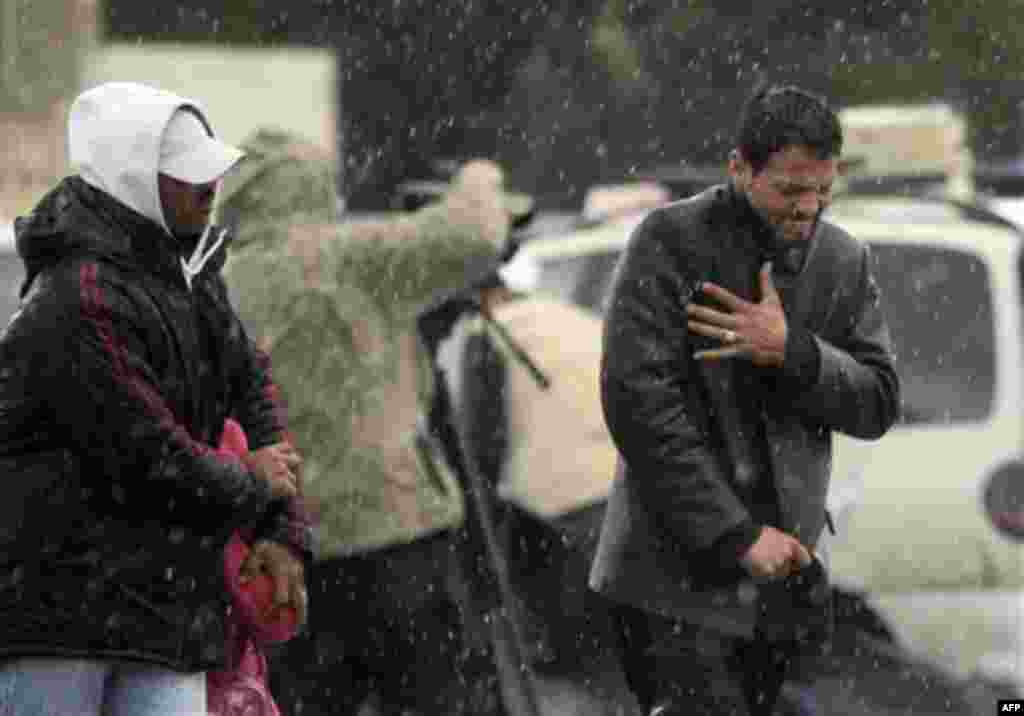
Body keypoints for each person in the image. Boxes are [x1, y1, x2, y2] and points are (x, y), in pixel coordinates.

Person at [589, 82, 901, 716]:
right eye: (790, 190)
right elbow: (639, 406)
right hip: (669, 584)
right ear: (738, 168)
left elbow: (877, 402)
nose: (808, 208)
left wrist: (794, 352)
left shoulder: (843, 260)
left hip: (782, 585)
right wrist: (734, 535)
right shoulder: (669, 240)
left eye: (823, 190)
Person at [0, 81, 310, 716]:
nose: (208, 186)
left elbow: (253, 392)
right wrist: (255, 485)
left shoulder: (194, 280)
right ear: (130, 179)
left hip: (167, 616)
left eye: (209, 171)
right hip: (57, 620)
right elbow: (143, 449)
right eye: (184, 173)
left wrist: (282, 532)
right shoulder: (79, 296)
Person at [216, 129, 529, 715]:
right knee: (442, 699)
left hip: (290, 546)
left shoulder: (223, 285)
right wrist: (478, 178)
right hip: (394, 530)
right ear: (315, 188)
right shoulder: (354, 256)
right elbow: (476, 233)